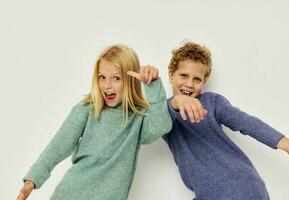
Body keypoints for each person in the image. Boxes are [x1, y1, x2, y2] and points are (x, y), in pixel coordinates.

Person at [16, 44, 172, 200]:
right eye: (102, 77)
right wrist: (32, 181)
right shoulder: (87, 109)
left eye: (116, 78)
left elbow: (161, 126)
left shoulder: (138, 118)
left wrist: (153, 84)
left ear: (131, 80)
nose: (107, 85)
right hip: (70, 193)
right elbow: (58, 146)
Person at [163, 41, 289, 200]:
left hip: (240, 185)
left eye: (197, 79)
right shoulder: (164, 112)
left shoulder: (211, 102)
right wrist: (176, 101)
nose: (189, 84)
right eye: (184, 75)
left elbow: (245, 122)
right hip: (210, 193)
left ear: (204, 82)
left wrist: (285, 142)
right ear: (171, 74)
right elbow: (156, 118)